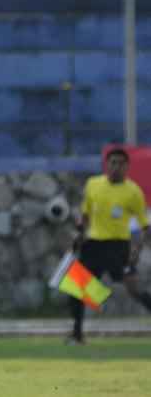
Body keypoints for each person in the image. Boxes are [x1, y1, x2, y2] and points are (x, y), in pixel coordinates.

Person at [68, 147, 151, 344]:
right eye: (113, 163)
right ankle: (77, 334)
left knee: (136, 289)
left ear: (127, 167)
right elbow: (85, 212)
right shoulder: (93, 184)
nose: (116, 167)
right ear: (107, 165)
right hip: (94, 246)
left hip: (118, 247)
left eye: (121, 164)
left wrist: (136, 249)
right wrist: (79, 233)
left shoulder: (133, 191)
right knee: (75, 289)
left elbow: (144, 226)